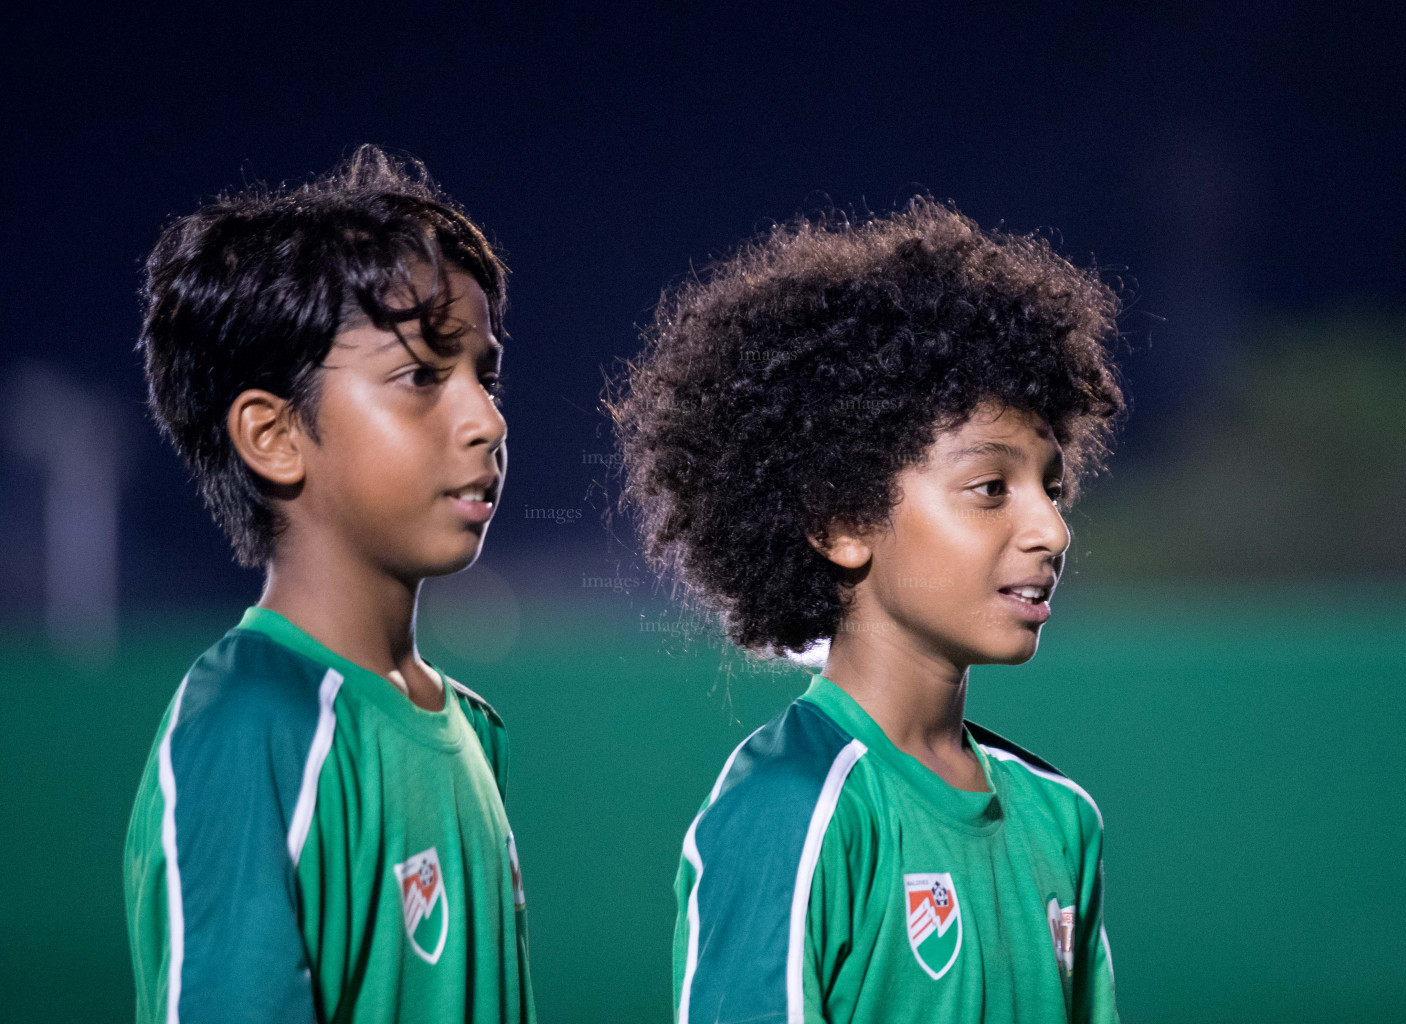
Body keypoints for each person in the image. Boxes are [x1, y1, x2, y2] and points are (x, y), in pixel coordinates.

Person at [609, 198, 1126, 1024]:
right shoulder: (789, 807)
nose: (1052, 528)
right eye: (992, 488)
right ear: (843, 521)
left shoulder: (1062, 818)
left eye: (1051, 488)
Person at [123, 146, 535, 1023]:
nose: (488, 419)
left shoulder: (468, 727)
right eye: (422, 377)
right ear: (273, 434)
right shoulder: (251, 726)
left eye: (485, 375)